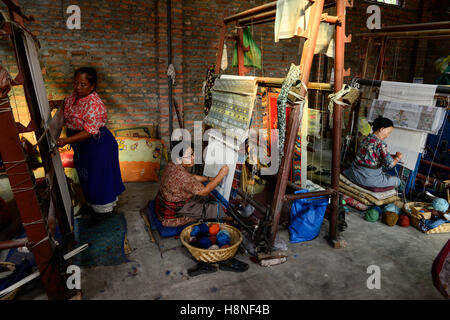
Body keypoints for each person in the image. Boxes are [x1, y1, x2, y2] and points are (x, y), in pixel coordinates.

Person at [56, 67, 125, 220]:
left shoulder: (94, 104)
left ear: (92, 86)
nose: (78, 88)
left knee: (99, 177)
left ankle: (104, 213)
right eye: (75, 83)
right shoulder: (74, 97)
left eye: (83, 84)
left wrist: (66, 140)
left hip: (98, 145)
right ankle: (94, 206)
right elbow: (66, 105)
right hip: (83, 146)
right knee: (87, 176)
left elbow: (89, 132)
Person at [155, 141, 229, 227]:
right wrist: (221, 175)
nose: (193, 157)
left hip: (163, 204)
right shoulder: (182, 176)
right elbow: (204, 191)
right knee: (211, 210)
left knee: (203, 198)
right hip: (172, 213)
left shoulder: (172, 164)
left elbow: (191, 177)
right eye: (189, 156)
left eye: (192, 154)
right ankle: (226, 216)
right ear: (179, 159)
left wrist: (209, 179)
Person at [343, 116, 402, 189]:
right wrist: (397, 157)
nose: (388, 135)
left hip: (354, 174)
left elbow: (371, 153)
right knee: (397, 180)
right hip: (368, 179)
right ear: (382, 129)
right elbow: (390, 165)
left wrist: (389, 156)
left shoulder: (364, 138)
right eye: (388, 132)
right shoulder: (381, 144)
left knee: (383, 173)